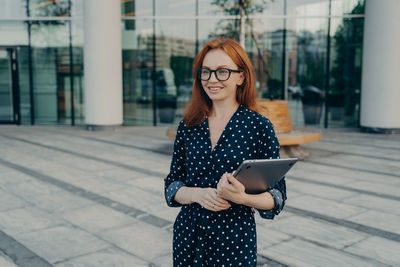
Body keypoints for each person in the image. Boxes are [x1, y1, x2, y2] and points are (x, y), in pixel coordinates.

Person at [164, 38, 286, 266]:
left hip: (234, 242)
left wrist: (242, 198)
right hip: (188, 237)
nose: (212, 80)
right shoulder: (188, 125)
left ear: (241, 76)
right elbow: (171, 186)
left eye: (222, 72)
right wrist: (197, 194)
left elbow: (277, 196)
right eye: (206, 72)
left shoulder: (259, 127)